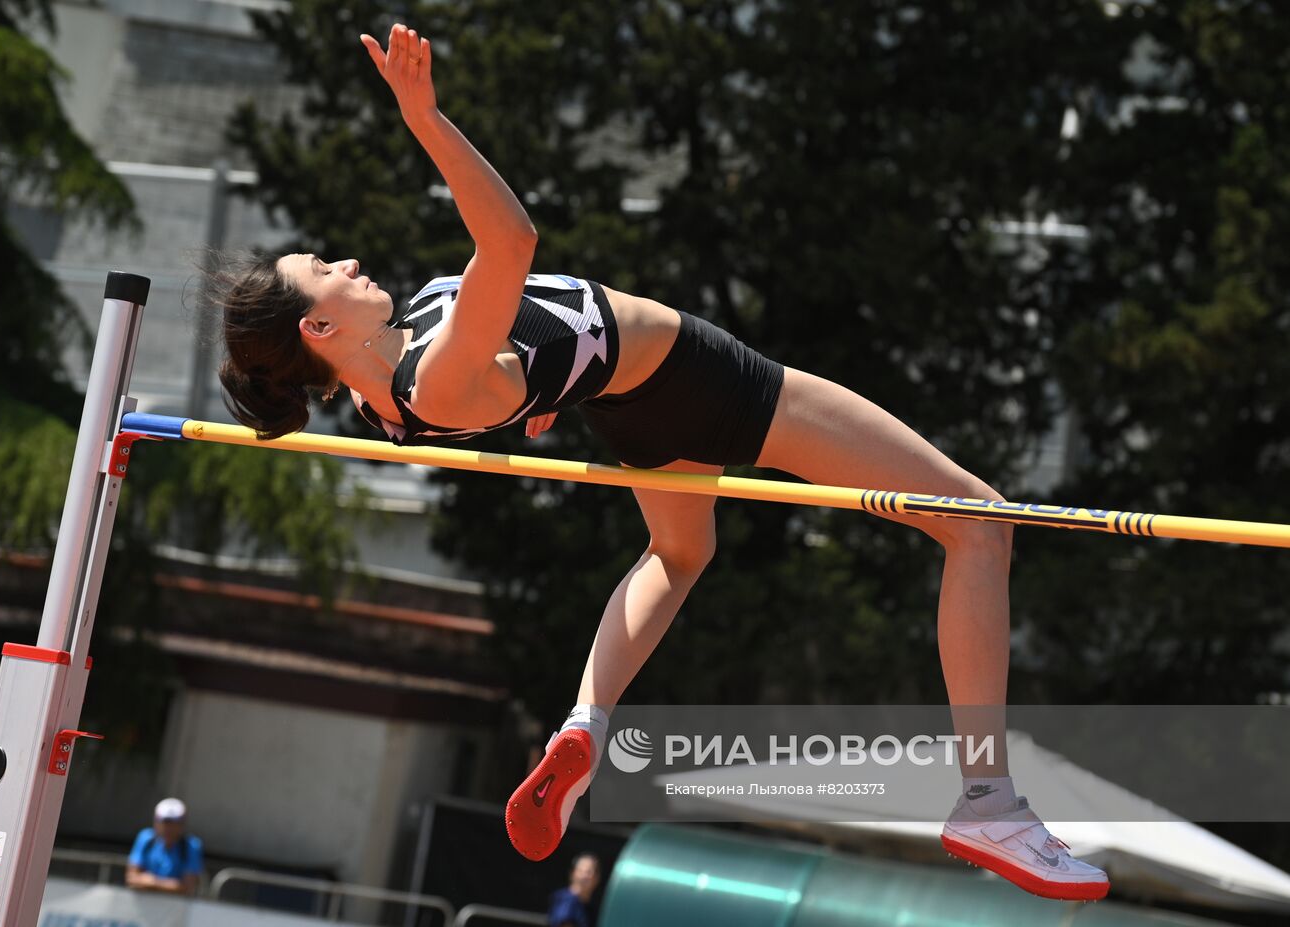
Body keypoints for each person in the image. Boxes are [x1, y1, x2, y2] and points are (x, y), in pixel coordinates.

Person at [212, 23, 1109, 903]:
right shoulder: (431, 379)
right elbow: (513, 247)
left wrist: (541, 392)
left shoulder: (391, 393)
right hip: (702, 380)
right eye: (326, 267)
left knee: (680, 556)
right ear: (318, 329)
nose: (352, 259)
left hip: (626, 407)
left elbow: (512, 364)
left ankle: (584, 724)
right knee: (978, 523)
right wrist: (425, 119)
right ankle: (989, 799)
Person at [125, 798, 204, 895]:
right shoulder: (145, 839)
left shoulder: (191, 846)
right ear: (156, 822)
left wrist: (152, 882)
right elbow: (131, 877)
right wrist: (169, 885)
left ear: (182, 825)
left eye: (175, 824)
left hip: (176, 908)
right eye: (165, 823)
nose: (169, 828)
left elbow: (187, 886)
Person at [547, 853, 600, 927]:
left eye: (589, 872)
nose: (584, 876)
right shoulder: (567, 901)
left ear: (597, 878)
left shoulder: (591, 907)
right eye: (581, 871)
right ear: (573, 873)